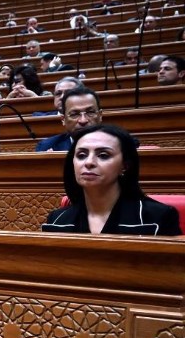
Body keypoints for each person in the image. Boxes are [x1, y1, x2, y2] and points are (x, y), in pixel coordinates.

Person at [42, 125, 181, 236]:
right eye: (81, 155)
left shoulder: (158, 217)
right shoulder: (57, 220)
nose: (89, 162)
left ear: (125, 165)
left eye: (103, 155)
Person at [37, 86, 102, 152]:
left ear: (100, 116)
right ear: (63, 119)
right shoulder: (46, 146)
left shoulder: (112, 143)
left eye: (90, 112)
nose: (83, 120)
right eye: (74, 114)